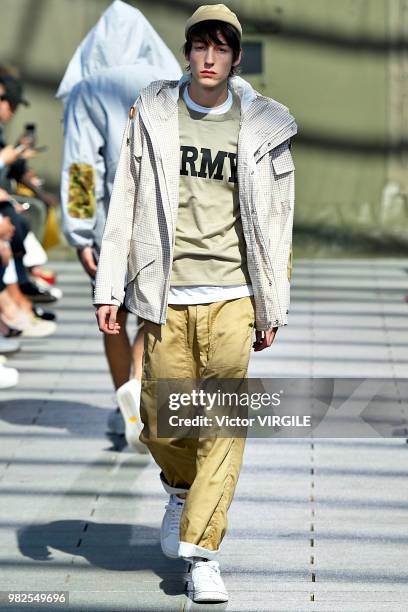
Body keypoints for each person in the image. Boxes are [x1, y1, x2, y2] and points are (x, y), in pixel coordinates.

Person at [95, 3, 296, 602]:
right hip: (166, 292)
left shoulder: (264, 125)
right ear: (188, 52)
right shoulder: (153, 113)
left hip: (234, 293)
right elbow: (124, 202)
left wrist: (272, 302)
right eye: (200, 47)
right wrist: (111, 287)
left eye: (222, 48)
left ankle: (204, 552)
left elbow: (280, 220)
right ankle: (180, 491)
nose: (210, 58)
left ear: (235, 57)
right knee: (162, 422)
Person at [57, 0, 182, 450]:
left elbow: (81, 170)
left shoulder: (88, 90)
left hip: (111, 222)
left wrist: (78, 232)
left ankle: (121, 399)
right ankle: (138, 384)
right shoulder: (170, 87)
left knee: (112, 316)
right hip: (164, 217)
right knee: (152, 311)